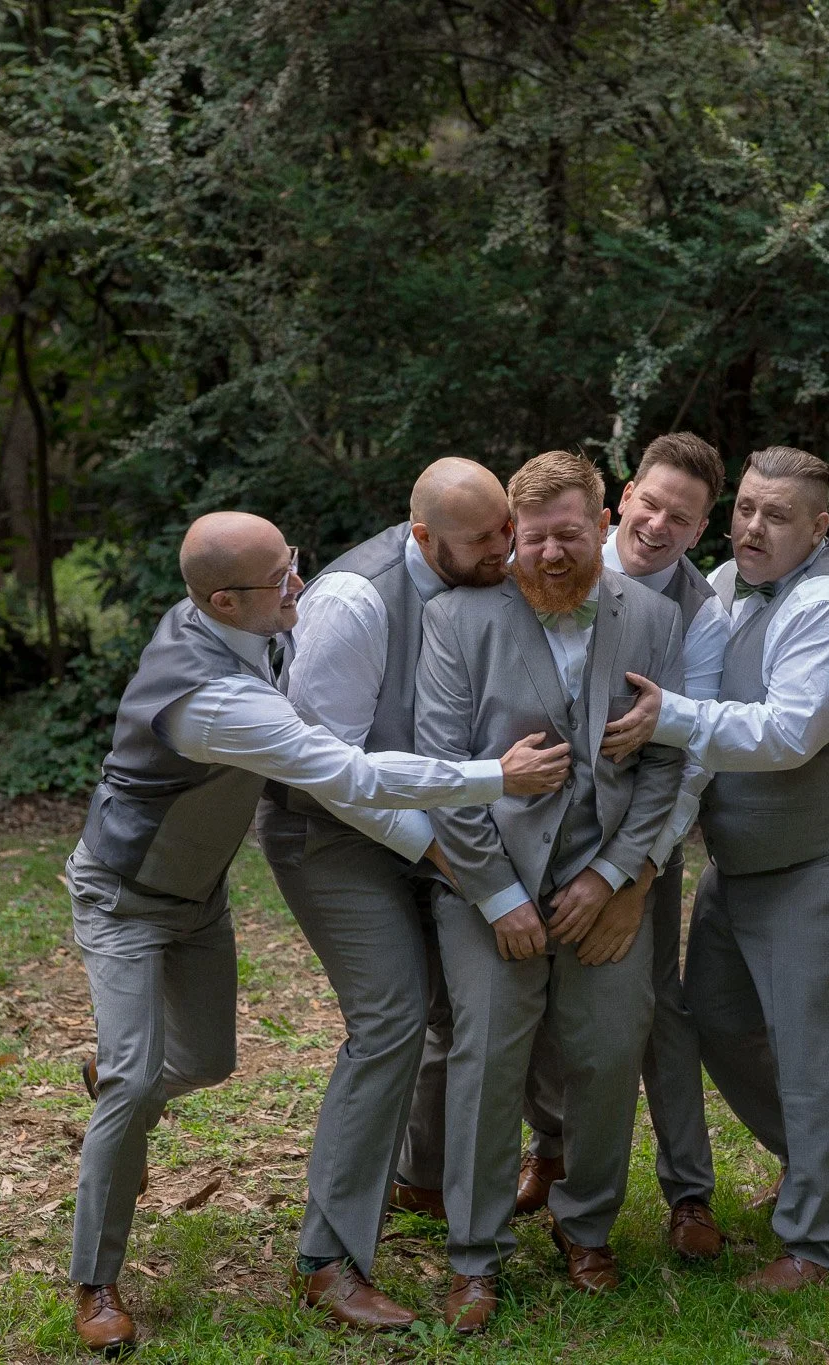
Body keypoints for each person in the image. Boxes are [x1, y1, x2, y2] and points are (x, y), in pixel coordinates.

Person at [63, 510, 570, 1353]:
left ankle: (125, 1081)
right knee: (134, 1077)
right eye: (281, 577)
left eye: (291, 560)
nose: (301, 581)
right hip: (124, 897)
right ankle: (96, 1282)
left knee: (206, 1062)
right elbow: (350, 771)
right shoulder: (214, 702)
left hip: (199, 896)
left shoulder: (239, 620)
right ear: (223, 601)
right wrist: (497, 775)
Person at [614, 446, 829, 1291]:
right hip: (749, 858)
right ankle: (825, 1155)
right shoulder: (722, 585)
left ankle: (819, 1241)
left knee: (813, 1051)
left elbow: (787, 734)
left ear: (819, 528)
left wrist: (667, 716)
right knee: (713, 1015)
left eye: (776, 515)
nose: (752, 527)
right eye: (745, 507)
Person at [414, 451, 686, 1333]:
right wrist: (499, 895)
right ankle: (475, 1254)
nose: (551, 554)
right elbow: (442, 771)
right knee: (488, 1057)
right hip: (487, 886)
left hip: (605, 882)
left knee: (608, 1053)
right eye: (533, 539)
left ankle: (588, 1227)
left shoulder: (653, 616)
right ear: (510, 535)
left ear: (603, 522)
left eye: (569, 534)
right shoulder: (455, 619)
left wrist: (612, 877)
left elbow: (666, 765)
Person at [254, 458, 514, 1329]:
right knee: (392, 1015)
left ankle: (420, 1179)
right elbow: (325, 769)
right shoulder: (353, 601)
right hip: (328, 833)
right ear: (424, 535)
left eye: (507, 528)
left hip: (424, 824)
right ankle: (327, 1260)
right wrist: (436, 847)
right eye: (483, 538)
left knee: (453, 1007)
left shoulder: (483, 570)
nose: (504, 549)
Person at [512, 433, 733, 1261]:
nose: (660, 525)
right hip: (531, 839)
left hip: (643, 838)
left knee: (652, 1007)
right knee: (535, 1002)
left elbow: (691, 758)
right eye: (652, 503)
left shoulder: (697, 614)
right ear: (625, 499)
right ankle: (552, 1147)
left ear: (702, 528)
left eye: (683, 517)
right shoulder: (556, 552)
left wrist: (633, 880)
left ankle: (689, 1191)